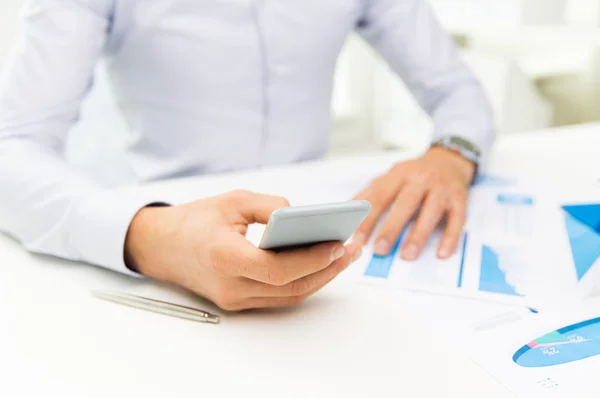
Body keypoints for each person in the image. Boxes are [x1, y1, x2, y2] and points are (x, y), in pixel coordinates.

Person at [0, 0, 493, 311]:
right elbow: (12, 146)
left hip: (308, 259)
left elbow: (455, 89)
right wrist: (149, 237)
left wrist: (453, 152)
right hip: (129, 259)